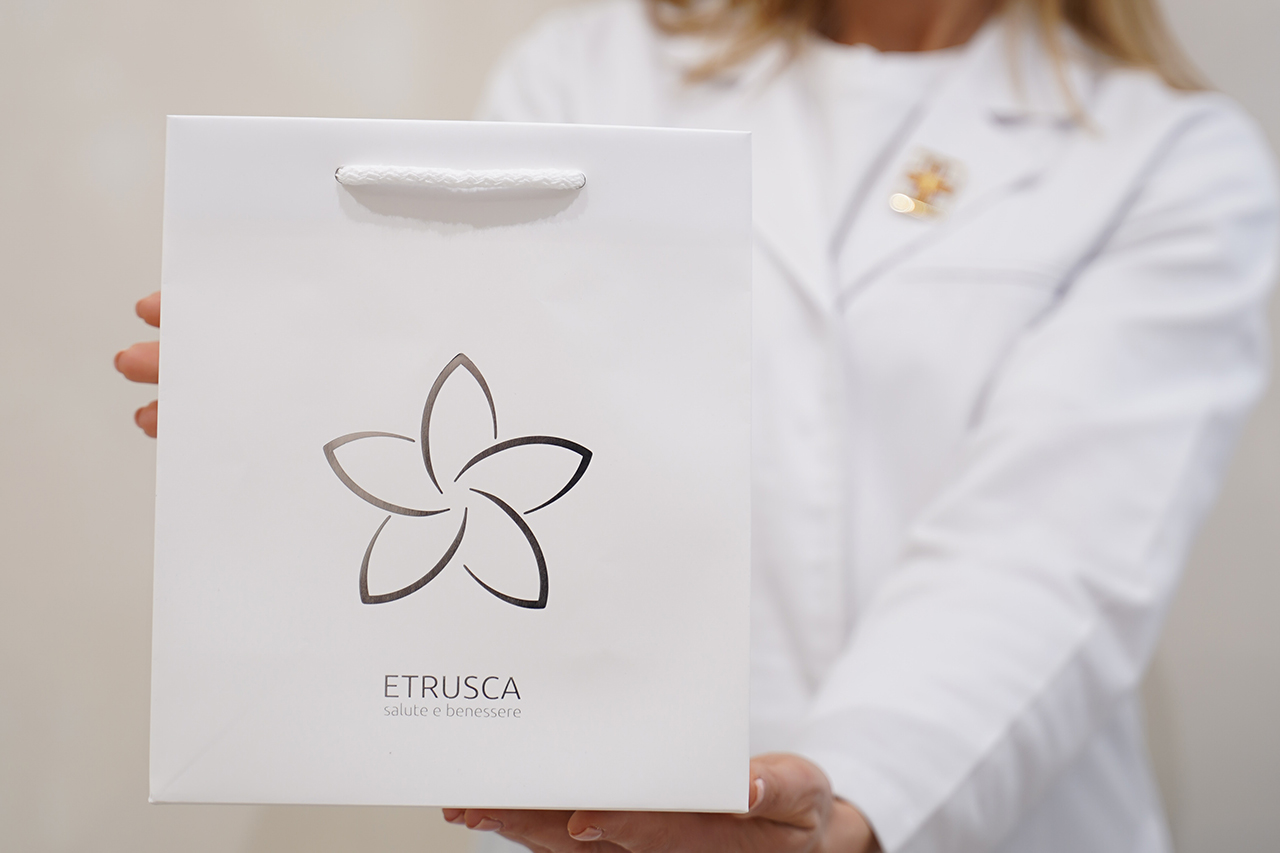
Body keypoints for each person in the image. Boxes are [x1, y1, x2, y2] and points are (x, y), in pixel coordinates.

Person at [116, 0, 1278, 850]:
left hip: (961, 812)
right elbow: (495, 414)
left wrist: (851, 801)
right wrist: (317, 404)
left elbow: (1049, 551)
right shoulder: (587, 71)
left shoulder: (1168, 160)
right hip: (588, 805)